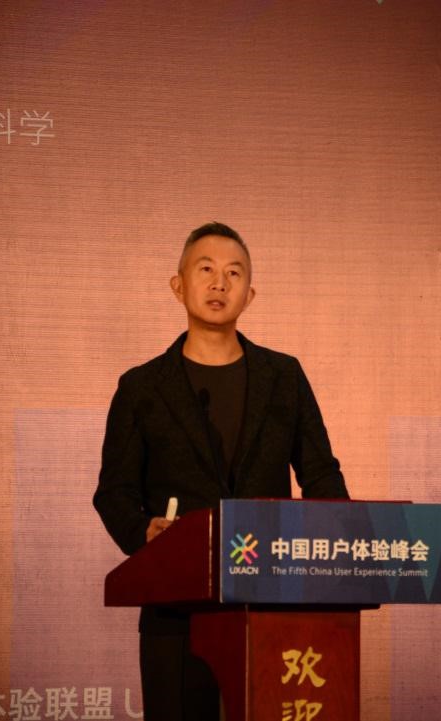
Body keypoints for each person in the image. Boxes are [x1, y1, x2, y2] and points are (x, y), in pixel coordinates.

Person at [93, 221, 349, 721]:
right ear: (178, 285)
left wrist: (340, 545)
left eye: (234, 273)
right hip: (176, 609)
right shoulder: (142, 387)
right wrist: (143, 531)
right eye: (206, 269)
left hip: (270, 603)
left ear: (249, 294)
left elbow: (321, 474)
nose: (219, 283)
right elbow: (114, 491)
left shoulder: (284, 377)